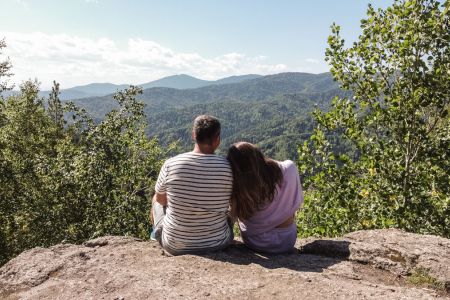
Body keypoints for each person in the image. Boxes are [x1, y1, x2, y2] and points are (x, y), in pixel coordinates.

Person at [151, 115, 234, 255]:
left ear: (193, 135)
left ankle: (155, 235)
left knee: (155, 199)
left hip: (174, 246)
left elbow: (161, 200)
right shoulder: (229, 167)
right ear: (217, 139)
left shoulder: (171, 163)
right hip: (218, 243)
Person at [226, 142, 304, 254]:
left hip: (254, 241)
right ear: (259, 156)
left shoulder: (237, 183)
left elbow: (233, 214)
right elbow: (294, 206)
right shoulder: (289, 169)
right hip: (286, 241)